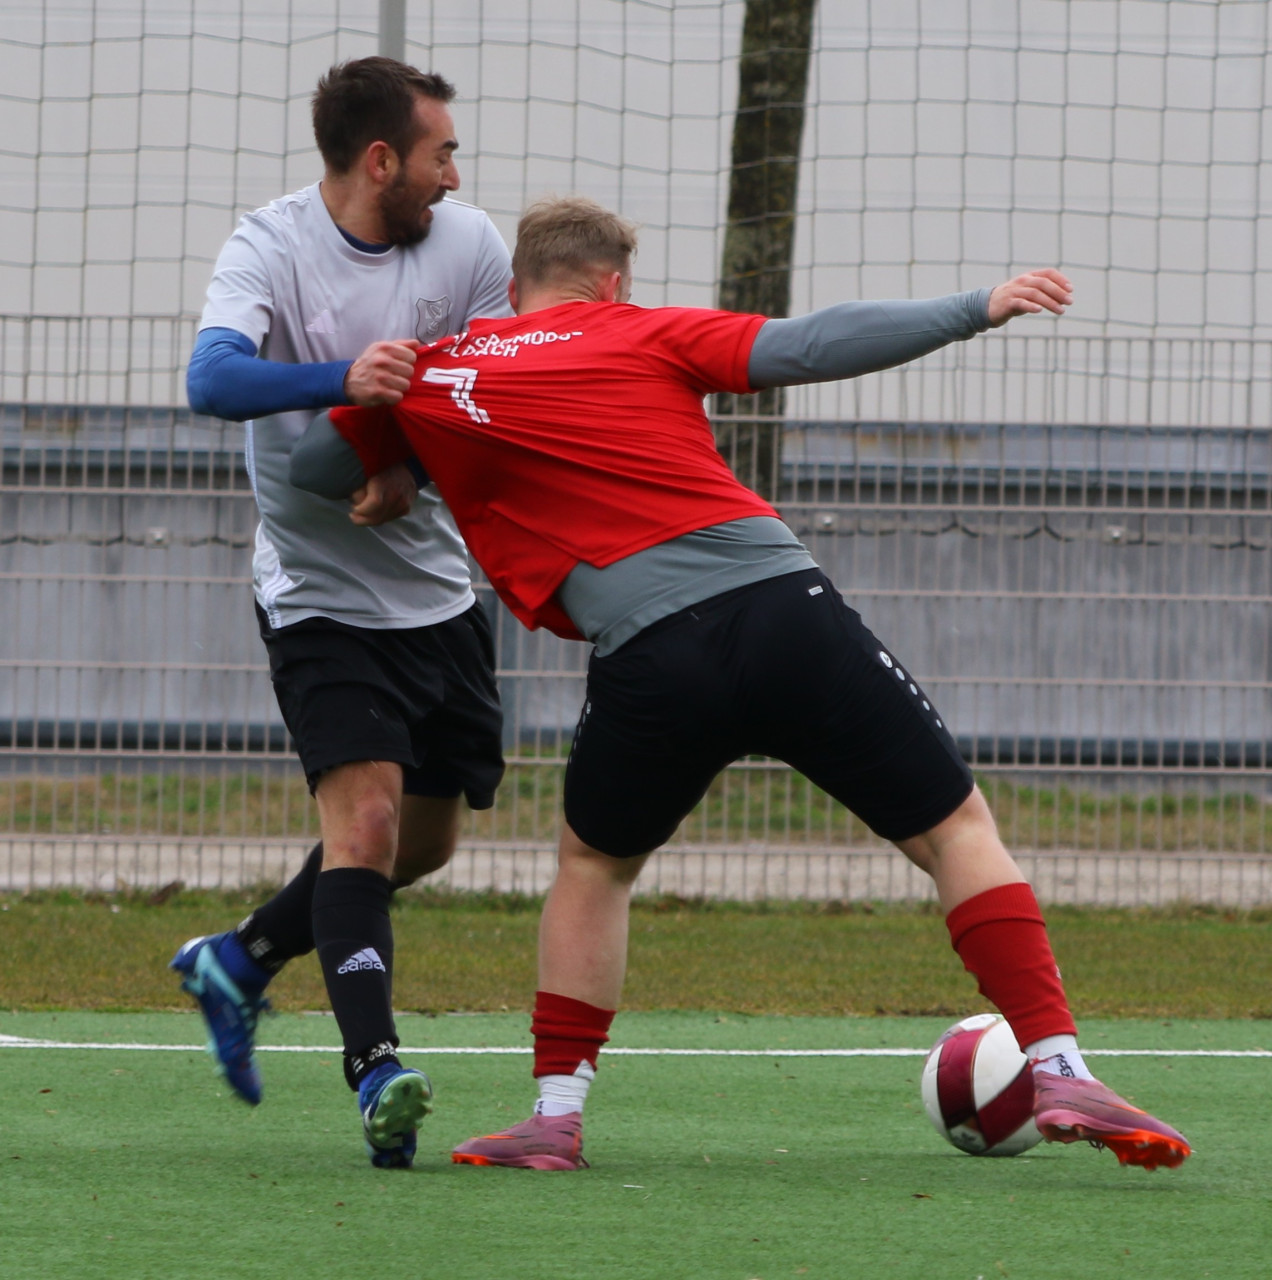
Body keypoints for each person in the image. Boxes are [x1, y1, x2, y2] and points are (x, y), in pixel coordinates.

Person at [290, 196, 1191, 1174]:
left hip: (650, 654)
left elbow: (314, 466)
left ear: (514, 287)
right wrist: (976, 306)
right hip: (785, 612)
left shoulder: (442, 368)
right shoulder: (645, 331)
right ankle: (1059, 1064)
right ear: (612, 284)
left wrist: (389, 422)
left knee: (595, 868)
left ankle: (554, 1117)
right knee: (956, 831)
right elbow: (813, 343)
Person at [169, 57, 511, 1170]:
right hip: (317, 594)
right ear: (380, 161)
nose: (454, 176)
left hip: (439, 592)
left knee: (423, 842)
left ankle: (239, 958)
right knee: (363, 827)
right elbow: (213, 381)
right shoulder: (267, 245)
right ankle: (376, 1073)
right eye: (440, 154)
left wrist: (407, 464)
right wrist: (341, 379)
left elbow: (491, 398)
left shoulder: (472, 246)